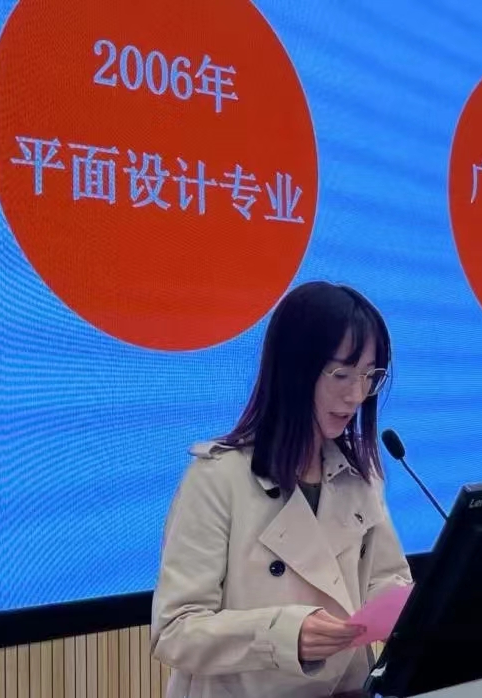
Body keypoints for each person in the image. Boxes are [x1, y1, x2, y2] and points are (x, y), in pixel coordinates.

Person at [151, 281, 412, 698]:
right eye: (342, 374)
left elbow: (386, 580)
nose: (357, 394)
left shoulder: (360, 476)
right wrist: (281, 635)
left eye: (370, 376)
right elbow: (175, 630)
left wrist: (407, 607)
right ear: (294, 370)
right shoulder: (217, 478)